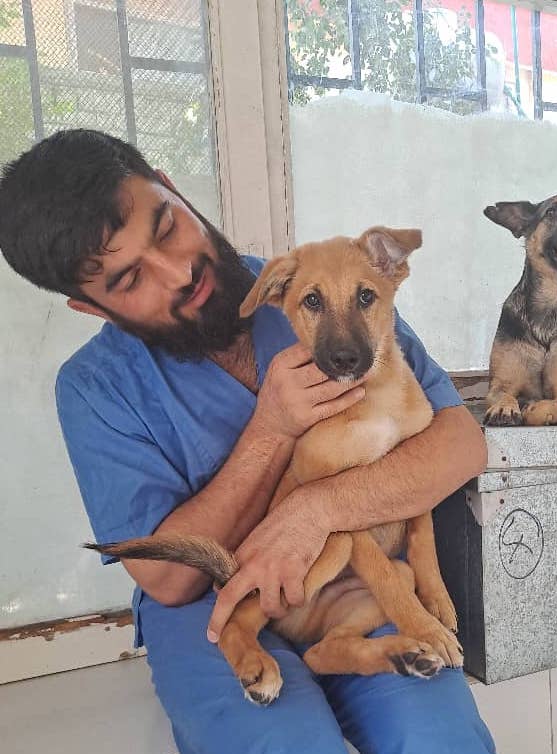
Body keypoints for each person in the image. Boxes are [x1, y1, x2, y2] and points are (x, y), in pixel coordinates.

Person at [0, 129, 495, 754]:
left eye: (166, 226)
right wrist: (270, 430)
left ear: (173, 188)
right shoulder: (96, 388)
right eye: (130, 280)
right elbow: (167, 576)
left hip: (353, 574)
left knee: (439, 739)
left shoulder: (322, 281)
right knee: (286, 746)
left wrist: (314, 512)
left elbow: (459, 446)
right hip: (210, 602)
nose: (180, 271)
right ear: (90, 307)